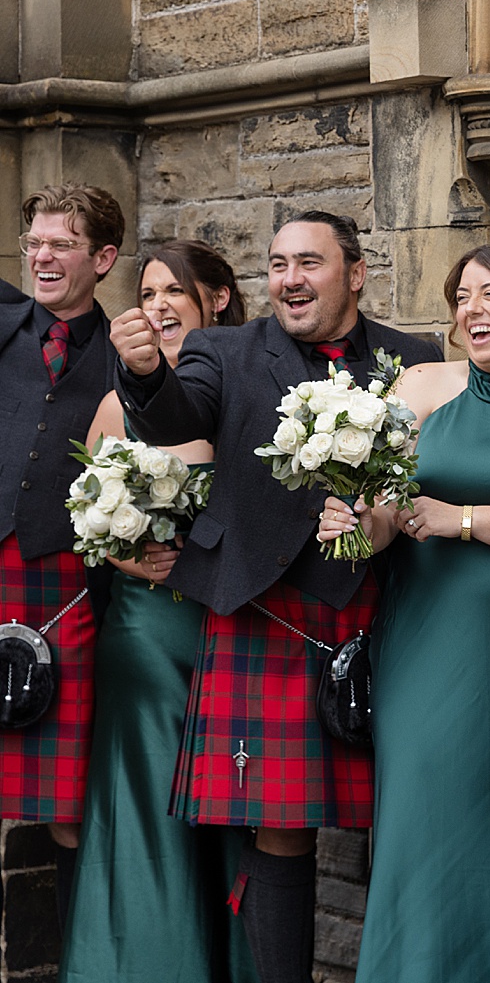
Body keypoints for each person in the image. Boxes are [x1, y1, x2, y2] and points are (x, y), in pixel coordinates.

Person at [109, 211, 441, 983]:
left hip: (387, 611)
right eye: (279, 263)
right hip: (268, 611)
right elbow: (177, 413)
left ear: (355, 273)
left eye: (308, 263)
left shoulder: (416, 358)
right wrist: (146, 374)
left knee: (403, 816)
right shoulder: (225, 351)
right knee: (280, 824)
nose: (289, 278)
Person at [315, 235, 490, 982]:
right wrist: (357, 523)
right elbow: (387, 516)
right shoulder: (418, 388)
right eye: (460, 297)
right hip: (425, 642)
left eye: (489, 294)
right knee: (421, 816)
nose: (470, 310)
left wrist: (461, 518)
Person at [62, 241, 254, 982]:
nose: (159, 305)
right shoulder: (117, 402)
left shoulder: (242, 390)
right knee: (143, 806)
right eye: (147, 293)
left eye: (174, 290)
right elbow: (88, 516)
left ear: (218, 299)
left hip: (225, 629)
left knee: (230, 806)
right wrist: (129, 558)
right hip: (144, 632)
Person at [1, 186, 123, 929]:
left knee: (68, 799)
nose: (42, 257)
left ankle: (83, 959)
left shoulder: (126, 358)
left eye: (61, 245)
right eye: (34, 243)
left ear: (103, 258)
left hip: (68, 590)